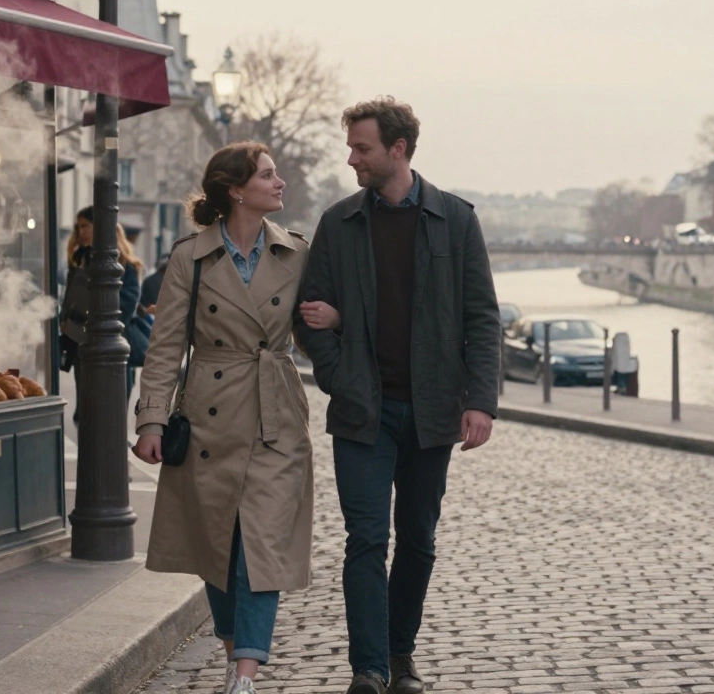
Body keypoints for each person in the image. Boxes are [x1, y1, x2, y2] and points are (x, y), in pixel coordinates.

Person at [293, 97, 501, 694]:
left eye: (362, 147)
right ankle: (369, 669)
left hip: (434, 412)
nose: (351, 157)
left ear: (398, 150)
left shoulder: (456, 220)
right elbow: (309, 317)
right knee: (365, 539)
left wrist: (479, 401)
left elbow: (482, 318)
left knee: (417, 540)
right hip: (364, 411)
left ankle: (400, 655)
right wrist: (340, 375)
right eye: (352, 146)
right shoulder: (339, 223)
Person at [132, 142, 313, 694]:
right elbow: (164, 347)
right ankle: (237, 652)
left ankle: (245, 675)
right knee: (218, 541)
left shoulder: (298, 253)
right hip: (209, 411)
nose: (279, 183)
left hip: (274, 411)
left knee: (262, 540)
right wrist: (151, 421)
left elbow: (316, 336)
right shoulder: (191, 256)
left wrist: (335, 318)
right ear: (236, 189)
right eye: (267, 175)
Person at [59, 207, 145, 414]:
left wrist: (98, 324)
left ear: (101, 229)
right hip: (82, 342)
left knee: (112, 409)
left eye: (85, 226)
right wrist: (65, 320)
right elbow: (70, 297)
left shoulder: (125, 265)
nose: (81, 232)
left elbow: (127, 302)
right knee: (87, 408)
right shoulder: (79, 261)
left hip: (113, 345)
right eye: (78, 227)